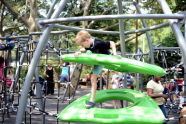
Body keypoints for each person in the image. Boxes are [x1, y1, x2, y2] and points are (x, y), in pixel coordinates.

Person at [75, 30, 117, 108]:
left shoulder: (98, 42)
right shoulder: (89, 45)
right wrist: (78, 52)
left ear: (87, 40)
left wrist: (115, 54)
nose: (82, 46)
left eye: (82, 44)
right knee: (93, 78)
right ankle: (92, 100)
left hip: (104, 59)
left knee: (89, 53)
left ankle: (92, 99)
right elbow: (85, 49)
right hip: (97, 60)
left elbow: (112, 43)